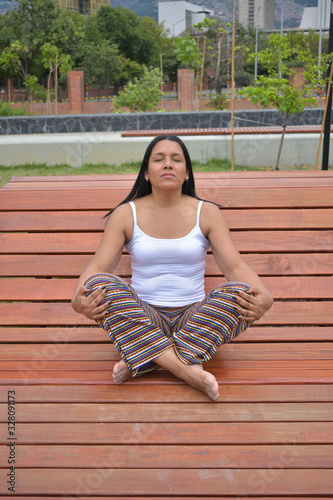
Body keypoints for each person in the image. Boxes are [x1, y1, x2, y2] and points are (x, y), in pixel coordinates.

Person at [71, 135, 273, 401]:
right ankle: (187, 370)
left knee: (239, 291)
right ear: (146, 172)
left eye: (176, 159)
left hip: (194, 318)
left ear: (187, 173)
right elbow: (98, 267)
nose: (168, 164)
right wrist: (77, 300)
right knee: (101, 285)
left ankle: (145, 359)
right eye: (159, 159)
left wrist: (264, 297)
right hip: (142, 314)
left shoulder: (207, 212)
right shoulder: (126, 214)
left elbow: (234, 267)